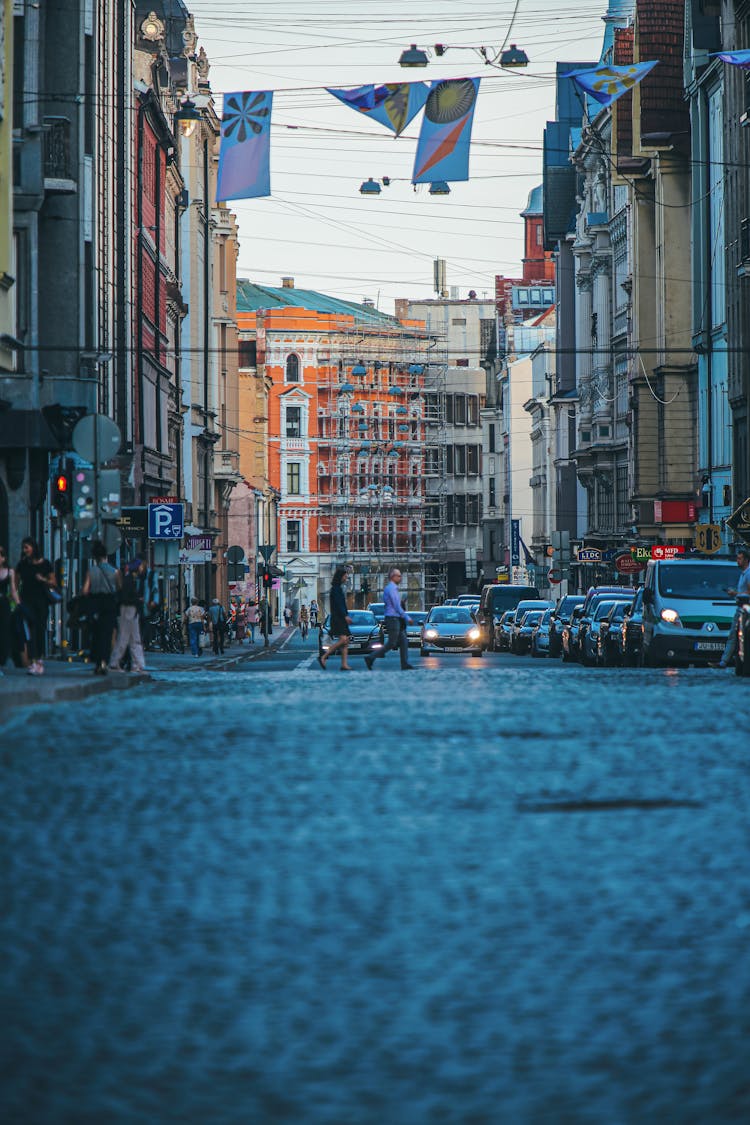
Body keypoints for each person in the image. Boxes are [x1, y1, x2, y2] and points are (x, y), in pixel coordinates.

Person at [16, 537, 56, 676]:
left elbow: (53, 582)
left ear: (34, 548)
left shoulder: (45, 564)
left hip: (41, 602)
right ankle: (33, 661)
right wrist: (17, 600)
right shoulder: (22, 565)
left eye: (27, 547)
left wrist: (43, 579)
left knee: (40, 630)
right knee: (30, 631)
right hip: (27, 602)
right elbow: (15, 583)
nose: (24, 550)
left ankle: (39, 660)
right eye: (23, 548)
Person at [81, 540, 120, 675]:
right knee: (107, 634)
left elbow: (85, 591)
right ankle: (105, 661)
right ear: (106, 555)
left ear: (95, 557)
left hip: (95, 604)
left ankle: (98, 662)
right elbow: (119, 590)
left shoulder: (91, 571)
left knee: (96, 634)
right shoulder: (115, 571)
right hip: (109, 605)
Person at [365, 566, 414, 670]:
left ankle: (404, 664)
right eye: (399, 576)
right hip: (392, 619)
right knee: (391, 643)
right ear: (393, 577)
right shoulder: (391, 589)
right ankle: (370, 657)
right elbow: (396, 606)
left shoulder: (393, 588)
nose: (400, 578)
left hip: (395, 618)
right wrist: (407, 617)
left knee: (404, 641)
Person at [712, 546, 750, 668]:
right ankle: (724, 661)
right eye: (737, 558)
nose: (737, 561)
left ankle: (725, 662)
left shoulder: (748, 574)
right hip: (741, 608)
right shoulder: (743, 574)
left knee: (736, 637)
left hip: (745, 610)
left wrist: (735, 594)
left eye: (740, 559)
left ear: (746, 560)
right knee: (733, 636)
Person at [109, 558, 146, 674]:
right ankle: (115, 663)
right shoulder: (129, 579)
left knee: (134, 638)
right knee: (125, 637)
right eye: (141, 566)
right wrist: (138, 599)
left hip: (132, 610)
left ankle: (138, 665)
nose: (142, 568)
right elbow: (125, 597)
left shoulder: (133, 579)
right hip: (127, 610)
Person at [318, 566, 352, 670]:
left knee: (345, 642)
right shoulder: (336, 589)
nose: (346, 578)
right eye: (345, 576)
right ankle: (324, 656)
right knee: (343, 640)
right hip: (338, 619)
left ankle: (344, 664)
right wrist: (345, 615)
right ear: (340, 576)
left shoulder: (338, 588)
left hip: (340, 618)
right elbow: (339, 604)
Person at [0, 545, 19, 674]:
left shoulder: (10, 571)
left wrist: (19, 605)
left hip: (3, 604)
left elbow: (13, 591)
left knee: (4, 631)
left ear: (3, 557)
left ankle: (1, 660)